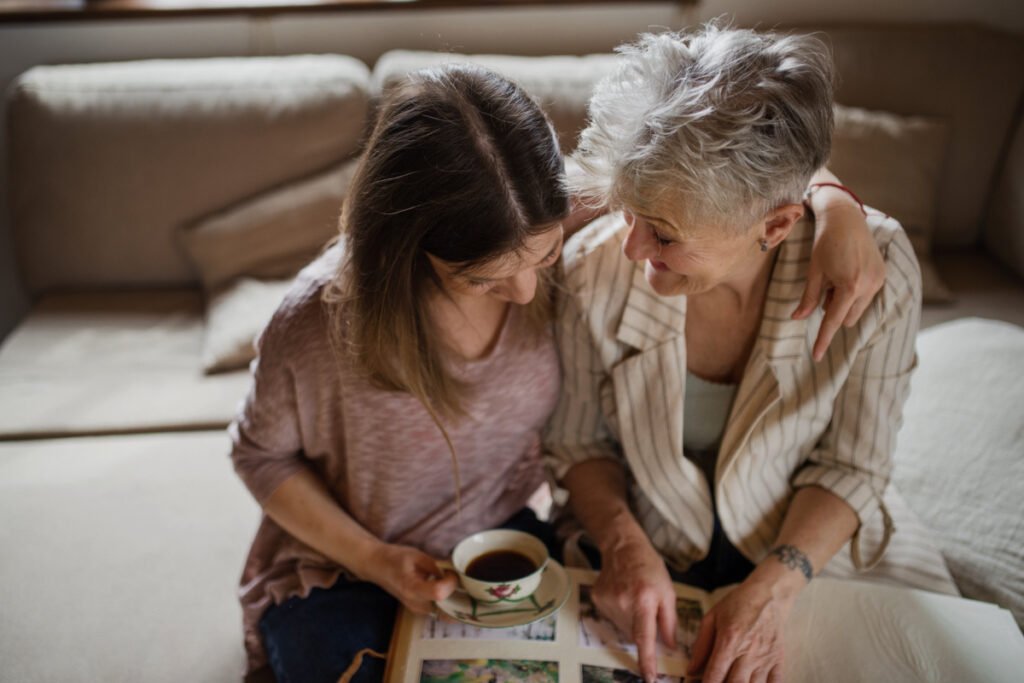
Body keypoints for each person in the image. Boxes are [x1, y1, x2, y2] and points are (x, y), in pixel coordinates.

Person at [230, 60, 889, 683]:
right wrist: (373, 559)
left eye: (543, 256)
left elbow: (739, 167)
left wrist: (836, 205)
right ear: (410, 249)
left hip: (508, 542)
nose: (523, 293)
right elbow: (260, 457)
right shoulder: (314, 321)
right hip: (343, 562)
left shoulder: (567, 213)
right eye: (485, 279)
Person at [545, 24, 959, 683]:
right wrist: (623, 541)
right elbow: (575, 441)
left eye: (664, 234)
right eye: (628, 212)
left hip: (804, 547)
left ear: (774, 225)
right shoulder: (590, 271)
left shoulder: (876, 270)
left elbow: (853, 462)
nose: (630, 248)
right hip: (648, 539)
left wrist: (774, 587)